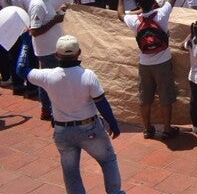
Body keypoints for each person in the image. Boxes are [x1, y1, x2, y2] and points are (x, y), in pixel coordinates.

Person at [18, 35, 124, 194]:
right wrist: (113, 124)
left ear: (56, 55)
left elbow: (21, 70)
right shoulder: (88, 75)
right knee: (108, 160)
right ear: (79, 53)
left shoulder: (47, 76)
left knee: (71, 172)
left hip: (63, 132)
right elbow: (101, 103)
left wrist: (26, 44)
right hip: (90, 129)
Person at [117, 0, 182, 140]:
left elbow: (119, 14)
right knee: (165, 97)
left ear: (139, 5)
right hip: (163, 63)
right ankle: (167, 130)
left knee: (145, 97)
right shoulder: (161, 15)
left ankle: (147, 129)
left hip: (144, 63)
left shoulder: (134, 21)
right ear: (154, 1)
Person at [30, 0, 80, 120]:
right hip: (47, 49)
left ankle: (48, 109)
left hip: (51, 47)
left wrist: (57, 13)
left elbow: (46, 20)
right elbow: (35, 31)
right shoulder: (38, 4)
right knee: (49, 82)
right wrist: (55, 21)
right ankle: (50, 111)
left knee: (48, 81)